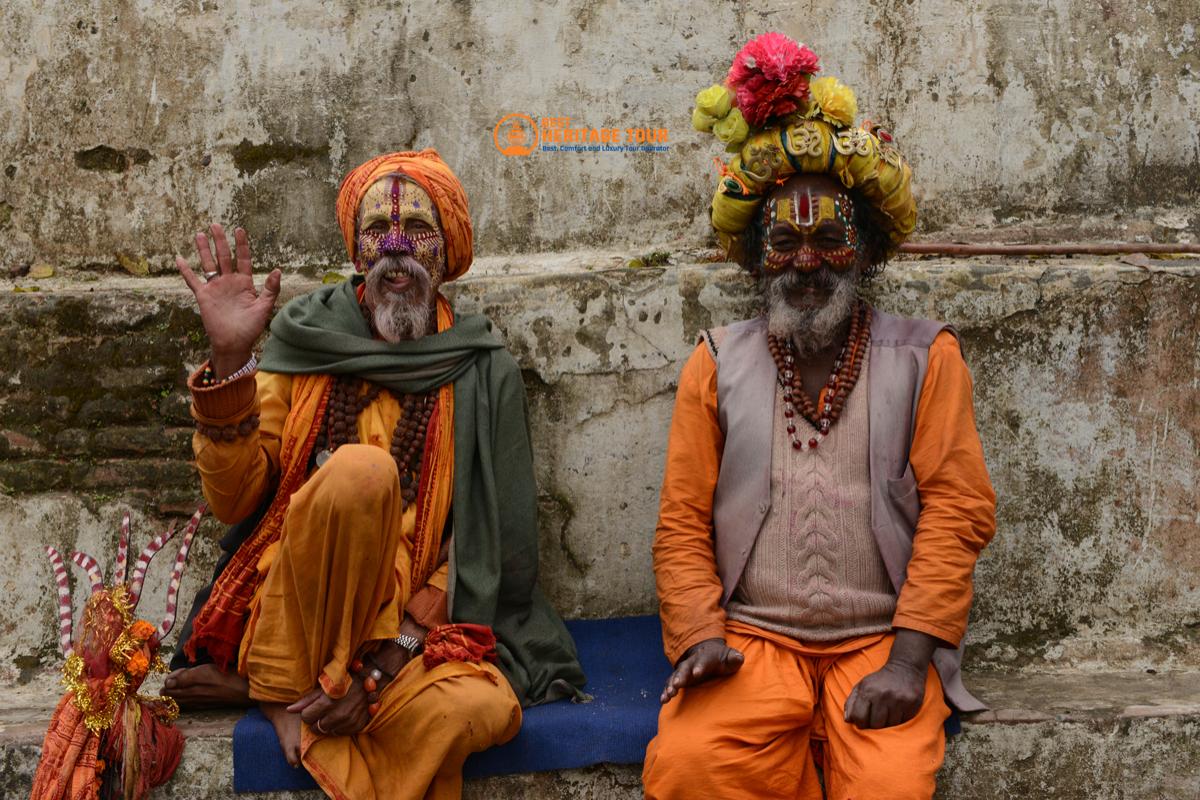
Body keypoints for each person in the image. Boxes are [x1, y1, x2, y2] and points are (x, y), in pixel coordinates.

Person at [163, 149, 585, 800]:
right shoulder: (305, 346)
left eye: (416, 229)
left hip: (406, 630)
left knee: (482, 710)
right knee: (360, 472)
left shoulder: (481, 368)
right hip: (298, 612)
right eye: (376, 233)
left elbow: (485, 545)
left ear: (448, 251)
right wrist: (230, 361)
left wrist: (391, 660)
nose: (395, 248)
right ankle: (300, 680)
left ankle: (281, 692)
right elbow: (237, 499)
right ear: (358, 254)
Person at [643, 33, 996, 799]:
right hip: (751, 644)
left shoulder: (926, 358)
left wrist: (909, 661)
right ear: (757, 258)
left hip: (879, 646)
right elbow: (679, 522)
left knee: (892, 787)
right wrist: (701, 636)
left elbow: (958, 510)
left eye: (830, 239)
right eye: (784, 241)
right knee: (688, 767)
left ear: (863, 253)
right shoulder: (714, 361)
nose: (807, 262)